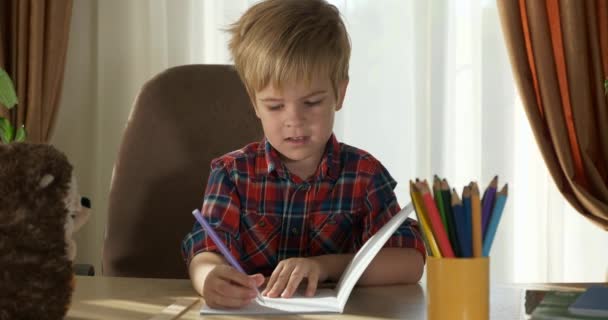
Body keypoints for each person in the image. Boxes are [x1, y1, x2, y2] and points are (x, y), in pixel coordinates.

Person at [181, 0, 425, 309]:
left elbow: (410, 261)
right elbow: (205, 251)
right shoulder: (231, 174)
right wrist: (209, 278)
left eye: (311, 103)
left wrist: (324, 266)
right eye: (275, 106)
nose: (294, 120)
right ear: (254, 103)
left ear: (340, 93)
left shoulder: (364, 174)